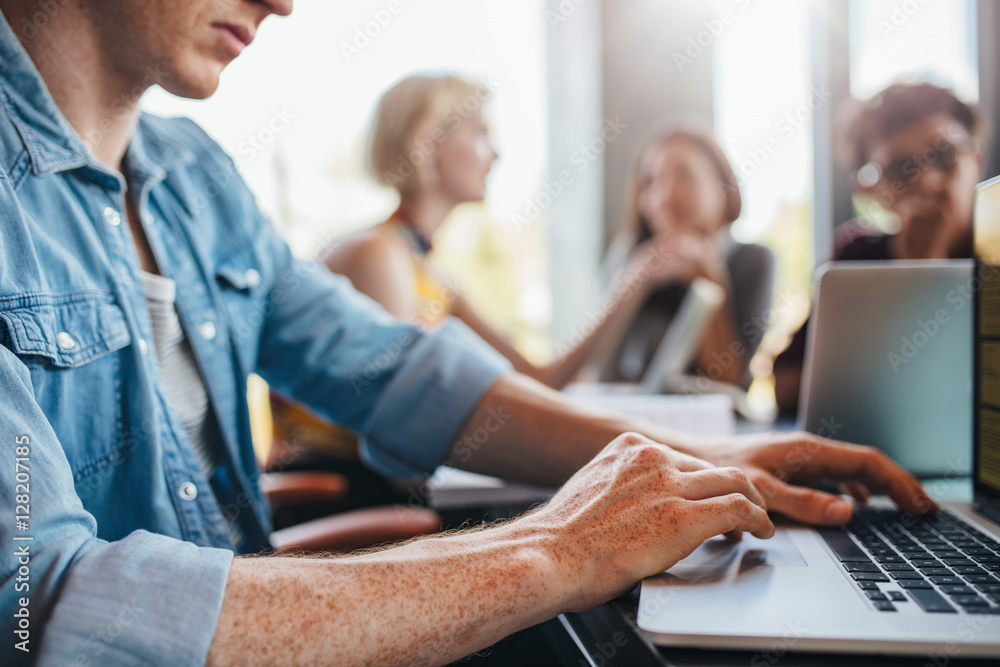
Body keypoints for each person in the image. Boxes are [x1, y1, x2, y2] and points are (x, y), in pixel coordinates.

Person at [0, 2, 937, 665]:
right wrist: (554, 545)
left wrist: (710, 453)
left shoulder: (196, 175)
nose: (284, 4)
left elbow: (412, 375)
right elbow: (44, 614)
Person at [323, 75, 708, 390]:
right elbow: (393, 417)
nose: (496, 153)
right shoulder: (378, 254)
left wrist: (634, 279)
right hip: (347, 481)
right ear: (428, 146)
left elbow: (539, 378)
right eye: (481, 133)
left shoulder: (433, 275)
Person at [773, 83, 990, 415]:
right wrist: (916, 269)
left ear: (977, 158)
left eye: (944, 155)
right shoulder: (855, 259)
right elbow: (787, 385)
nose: (929, 181)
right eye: (901, 168)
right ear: (870, 190)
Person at [597, 119, 775, 388]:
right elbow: (597, 373)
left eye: (684, 175)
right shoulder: (629, 259)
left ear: (722, 185)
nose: (664, 195)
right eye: (649, 182)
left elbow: (727, 380)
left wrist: (706, 277)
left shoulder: (752, 260)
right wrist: (635, 282)